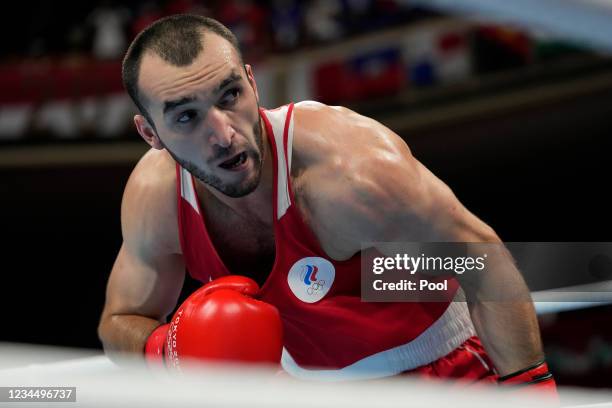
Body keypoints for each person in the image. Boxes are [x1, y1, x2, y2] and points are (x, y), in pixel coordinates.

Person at [98, 14, 556, 391]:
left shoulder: (349, 170)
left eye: (230, 95)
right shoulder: (155, 198)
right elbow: (119, 321)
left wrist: (529, 389)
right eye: (186, 116)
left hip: (442, 374)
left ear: (253, 84)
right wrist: (168, 349)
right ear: (150, 133)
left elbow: (481, 259)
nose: (222, 134)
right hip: (304, 390)